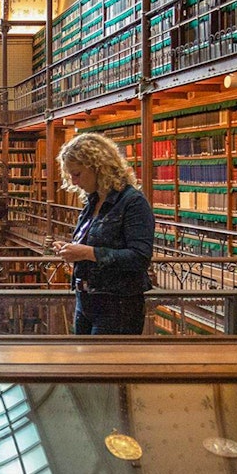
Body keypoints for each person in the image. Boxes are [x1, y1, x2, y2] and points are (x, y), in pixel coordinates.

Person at [51, 133, 154, 335]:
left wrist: (87, 253)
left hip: (118, 305)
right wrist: (71, 249)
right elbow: (92, 243)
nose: (73, 181)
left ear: (98, 167)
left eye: (77, 174)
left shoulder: (132, 202)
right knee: (82, 365)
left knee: (104, 365)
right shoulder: (92, 202)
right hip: (86, 301)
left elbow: (140, 257)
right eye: (70, 175)